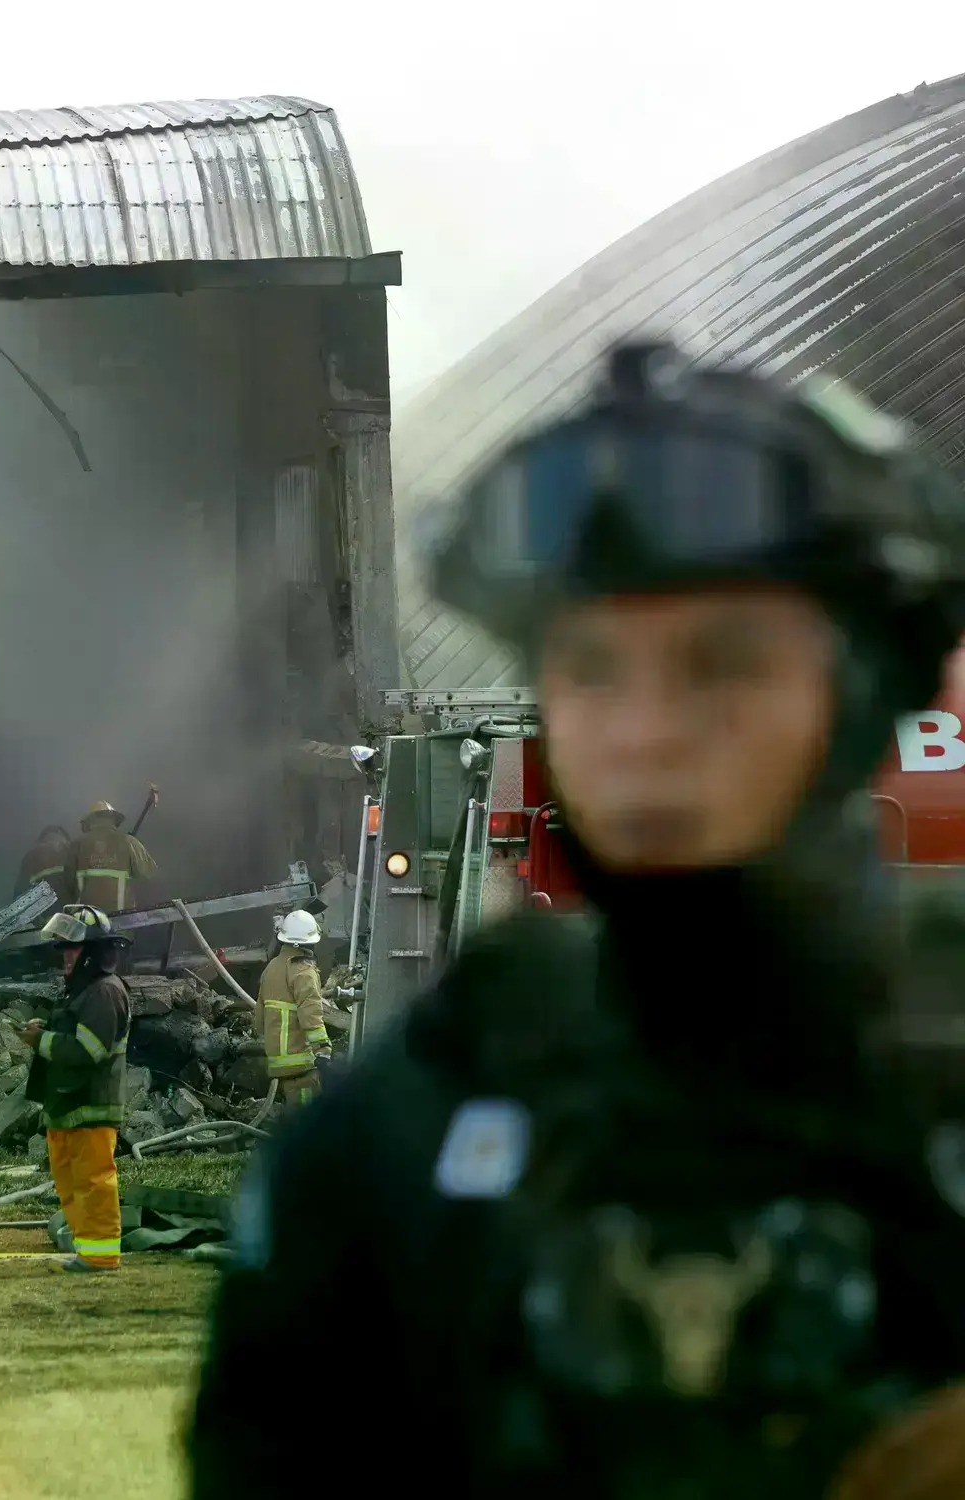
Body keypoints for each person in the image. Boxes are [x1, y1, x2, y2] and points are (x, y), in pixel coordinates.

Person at [190, 340, 965, 1497]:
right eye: (593, 669)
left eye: (722, 665)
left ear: (863, 699)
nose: (644, 730)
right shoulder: (409, 1121)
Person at [23, 903, 131, 1273]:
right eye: (63, 948)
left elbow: (91, 1050)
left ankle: (100, 1255)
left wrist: (41, 1041)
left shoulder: (105, 992)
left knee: (93, 1182)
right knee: (70, 1184)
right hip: (67, 1106)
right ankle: (87, 1249)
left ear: (93, 953)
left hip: (91, 1107)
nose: (65, 956)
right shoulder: (83, 992)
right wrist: (49, 1025)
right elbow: (74, 1031)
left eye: (72, 948)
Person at [256, 909, 331, 1108]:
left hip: (276, 1063)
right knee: (305, 1122)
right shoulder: (304, 970)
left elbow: (259, 1017)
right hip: (300, 1063)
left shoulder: (272, 967)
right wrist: (323, 1049)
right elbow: (311, 1013)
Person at [67, 800, 157, 914]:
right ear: (114, 820)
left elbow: (68, 884)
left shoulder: (77, 845)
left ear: (89, 822)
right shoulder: (129, 842)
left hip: (86, 922)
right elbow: (149, 874)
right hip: (122, 920)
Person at [15, 825, 75, 904]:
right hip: (69, 903)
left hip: (41, 904)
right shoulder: (73, 849)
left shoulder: (31, 854)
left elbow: (21, 886)